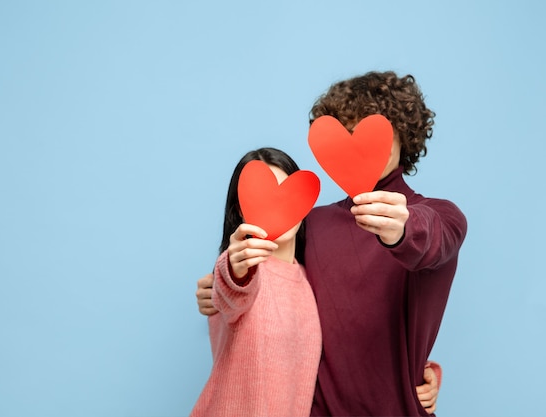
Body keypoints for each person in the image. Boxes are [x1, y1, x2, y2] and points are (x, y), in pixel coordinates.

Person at [197, 70, 466, 416]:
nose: (361, 144)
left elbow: (431, 242)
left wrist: (402, 228)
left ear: (403, 134)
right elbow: (272, 286)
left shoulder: (440, 216)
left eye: (374, 132)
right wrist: (223, 284)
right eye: (347, 132)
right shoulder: (312, 222)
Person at [190, 148, 322, 417]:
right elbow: (234, 290)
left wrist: (418, 371)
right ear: (240, 209)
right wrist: (233, 271)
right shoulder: (241, 272)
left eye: (289, 194)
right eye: (263, 197)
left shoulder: (311, 281)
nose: (279, 206)